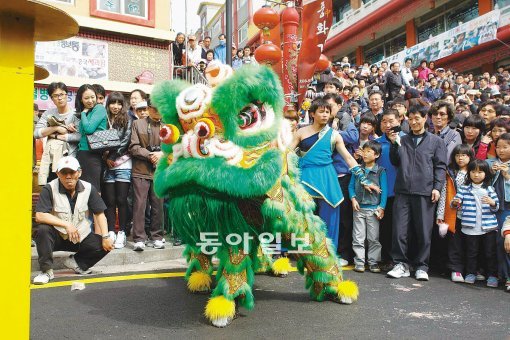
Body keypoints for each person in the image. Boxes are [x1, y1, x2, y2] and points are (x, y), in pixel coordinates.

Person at [290, 98, 379, 253]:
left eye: (327, 112)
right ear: (312, 113)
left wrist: (363, 179)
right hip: (305, 175)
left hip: (327, 177)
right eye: (321, 112)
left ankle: (326, 250)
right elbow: (286, 153)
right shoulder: (301, 132)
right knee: (303, 213)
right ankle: (301, 250)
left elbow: (349, 158)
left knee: (329, 214)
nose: (325, 115)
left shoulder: (334, 135)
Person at [387, 105, 447, 281]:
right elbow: (395, 161)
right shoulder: (402, 139)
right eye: (410, 118)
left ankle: (422, 266)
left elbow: (440, 166)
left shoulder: (436, 141)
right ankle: (400, 264)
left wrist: (437, 187)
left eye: (417, 118)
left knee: (423, 231)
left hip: (425, 191)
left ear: (425, 118)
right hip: (403, 190)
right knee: (399, 230)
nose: (413, 122)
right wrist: (392, 144)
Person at [32, 156, 113, 285]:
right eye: (64, 173)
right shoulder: (49, 188)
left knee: (107, 242)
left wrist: (106, 236)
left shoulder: (88, 188)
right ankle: (46, 271)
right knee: (42, 230)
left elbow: (100, 214)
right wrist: (66, 224)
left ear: (79, 173)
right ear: (58, 173)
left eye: (72, 172)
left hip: (78, 235)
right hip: (56, 236)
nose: (68, 176)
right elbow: (40, 215)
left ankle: (77, 263)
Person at [451, 159, 499, 287]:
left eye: (480, 172)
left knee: (489, 253)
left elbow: (497, 206)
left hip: (488, 227)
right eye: (473, 171)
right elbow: (455, 202)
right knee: (471, 252)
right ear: (469, 173)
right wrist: (455, 202)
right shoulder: (464, 188)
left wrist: (492, 202)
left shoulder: (490, 189)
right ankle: (471, 273)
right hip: (470, 226)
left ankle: (492, 275)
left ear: (486, 174)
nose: (476, 175)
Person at [129, 100, 165, 251]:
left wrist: (162, 153)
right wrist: (151, 154)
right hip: (141, 170)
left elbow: (174, 146)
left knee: (159, 205)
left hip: (159, 171)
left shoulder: (168, 125)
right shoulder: (138, 124)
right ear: (149, 108)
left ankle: (157, 236)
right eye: (156, 108)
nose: (159, 112)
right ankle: (139, 238)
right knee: (140, 205)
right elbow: (133, 147)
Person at [436, 144, 474, 283]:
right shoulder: (450, 172)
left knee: (471, 243)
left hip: (471, 213)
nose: (460, 158)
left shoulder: (475, 171)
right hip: (454, 214)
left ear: (470, 157)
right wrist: (440, 215)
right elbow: (444, 194)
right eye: (457, 155)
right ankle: (456, 269)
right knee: (455, 243)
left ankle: (471, 271)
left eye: (464, 155)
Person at [349, 140, 387, 273]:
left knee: (373, 238)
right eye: (364, 151)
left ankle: (373, 262)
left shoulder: (381, 171)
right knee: (358, 237)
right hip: (359, 209)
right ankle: (359, 262)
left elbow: (384, 191)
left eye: (369, 151)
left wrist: (381, 207)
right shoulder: (357, 170)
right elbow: (351, 186)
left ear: (376, 155)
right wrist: (353, 199)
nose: (365, 154)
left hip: (373, 209)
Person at [34, 82, 81, 185]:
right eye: (55, 96)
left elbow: (79, 136)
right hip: (52, 161)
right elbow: (37, 133)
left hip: (71, 158)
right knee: (52, 191)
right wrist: (56, 128)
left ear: (66, 95)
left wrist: (56, 136)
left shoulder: (75, 114)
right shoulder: (48, 113)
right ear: (51, 98)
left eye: (62, 94)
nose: (59, 98)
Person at [102, 92, 132, 249]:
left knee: (122, 200)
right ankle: (111, 231)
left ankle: (122, 232)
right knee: (110, 201)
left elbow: (126, 140)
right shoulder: (103, 119)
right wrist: (105, 158)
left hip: (122, 164)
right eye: (112, 103)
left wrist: (112, 156)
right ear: (108, 104)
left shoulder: (127, 119)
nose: (116, 106)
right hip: (107, 166)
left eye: (119, 103)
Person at [486, 133, 510, 292]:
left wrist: (507, 176)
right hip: (492, 207)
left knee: (505, 242)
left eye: (505, 147)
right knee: (491, 242)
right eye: (498, 147)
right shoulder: (489, 163)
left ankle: (507, 275)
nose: (501, 150)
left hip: (507, 208)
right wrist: (493, 173)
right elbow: (480, 181)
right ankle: (494, 273)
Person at [75, 84, 107, 192]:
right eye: (86, 98)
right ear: (81, 99)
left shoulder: (99, 108)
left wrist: (83, 113)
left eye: (93, 97)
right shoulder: (89, 111)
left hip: (92, 154)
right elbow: (82, 132)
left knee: (93, 190)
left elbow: (89, 129)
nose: (90, 100)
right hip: (83, 153)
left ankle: (97, 210)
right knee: (83, 190)